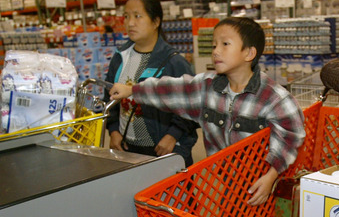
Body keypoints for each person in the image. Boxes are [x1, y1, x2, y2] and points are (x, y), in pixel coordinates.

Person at [110, 17, 305, 206]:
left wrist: (271, 176)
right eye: (214, 46)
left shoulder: (273, 98)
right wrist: (132, 90)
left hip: (266, 181)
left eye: (225, 44)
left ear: (249, 53)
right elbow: (171, 89)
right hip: (229, 182)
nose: (216, 52)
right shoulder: (206, 89)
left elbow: (291, 136)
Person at [104, 0, 198, 164]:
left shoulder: (173, 61)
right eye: (126, 16)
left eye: (138, 16)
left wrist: (172, 136)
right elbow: (108, 97)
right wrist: (113, 130)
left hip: (162, 149)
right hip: (128, 148)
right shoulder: (120, 58)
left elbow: (192, 103)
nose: (130, 23)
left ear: (156, 22)